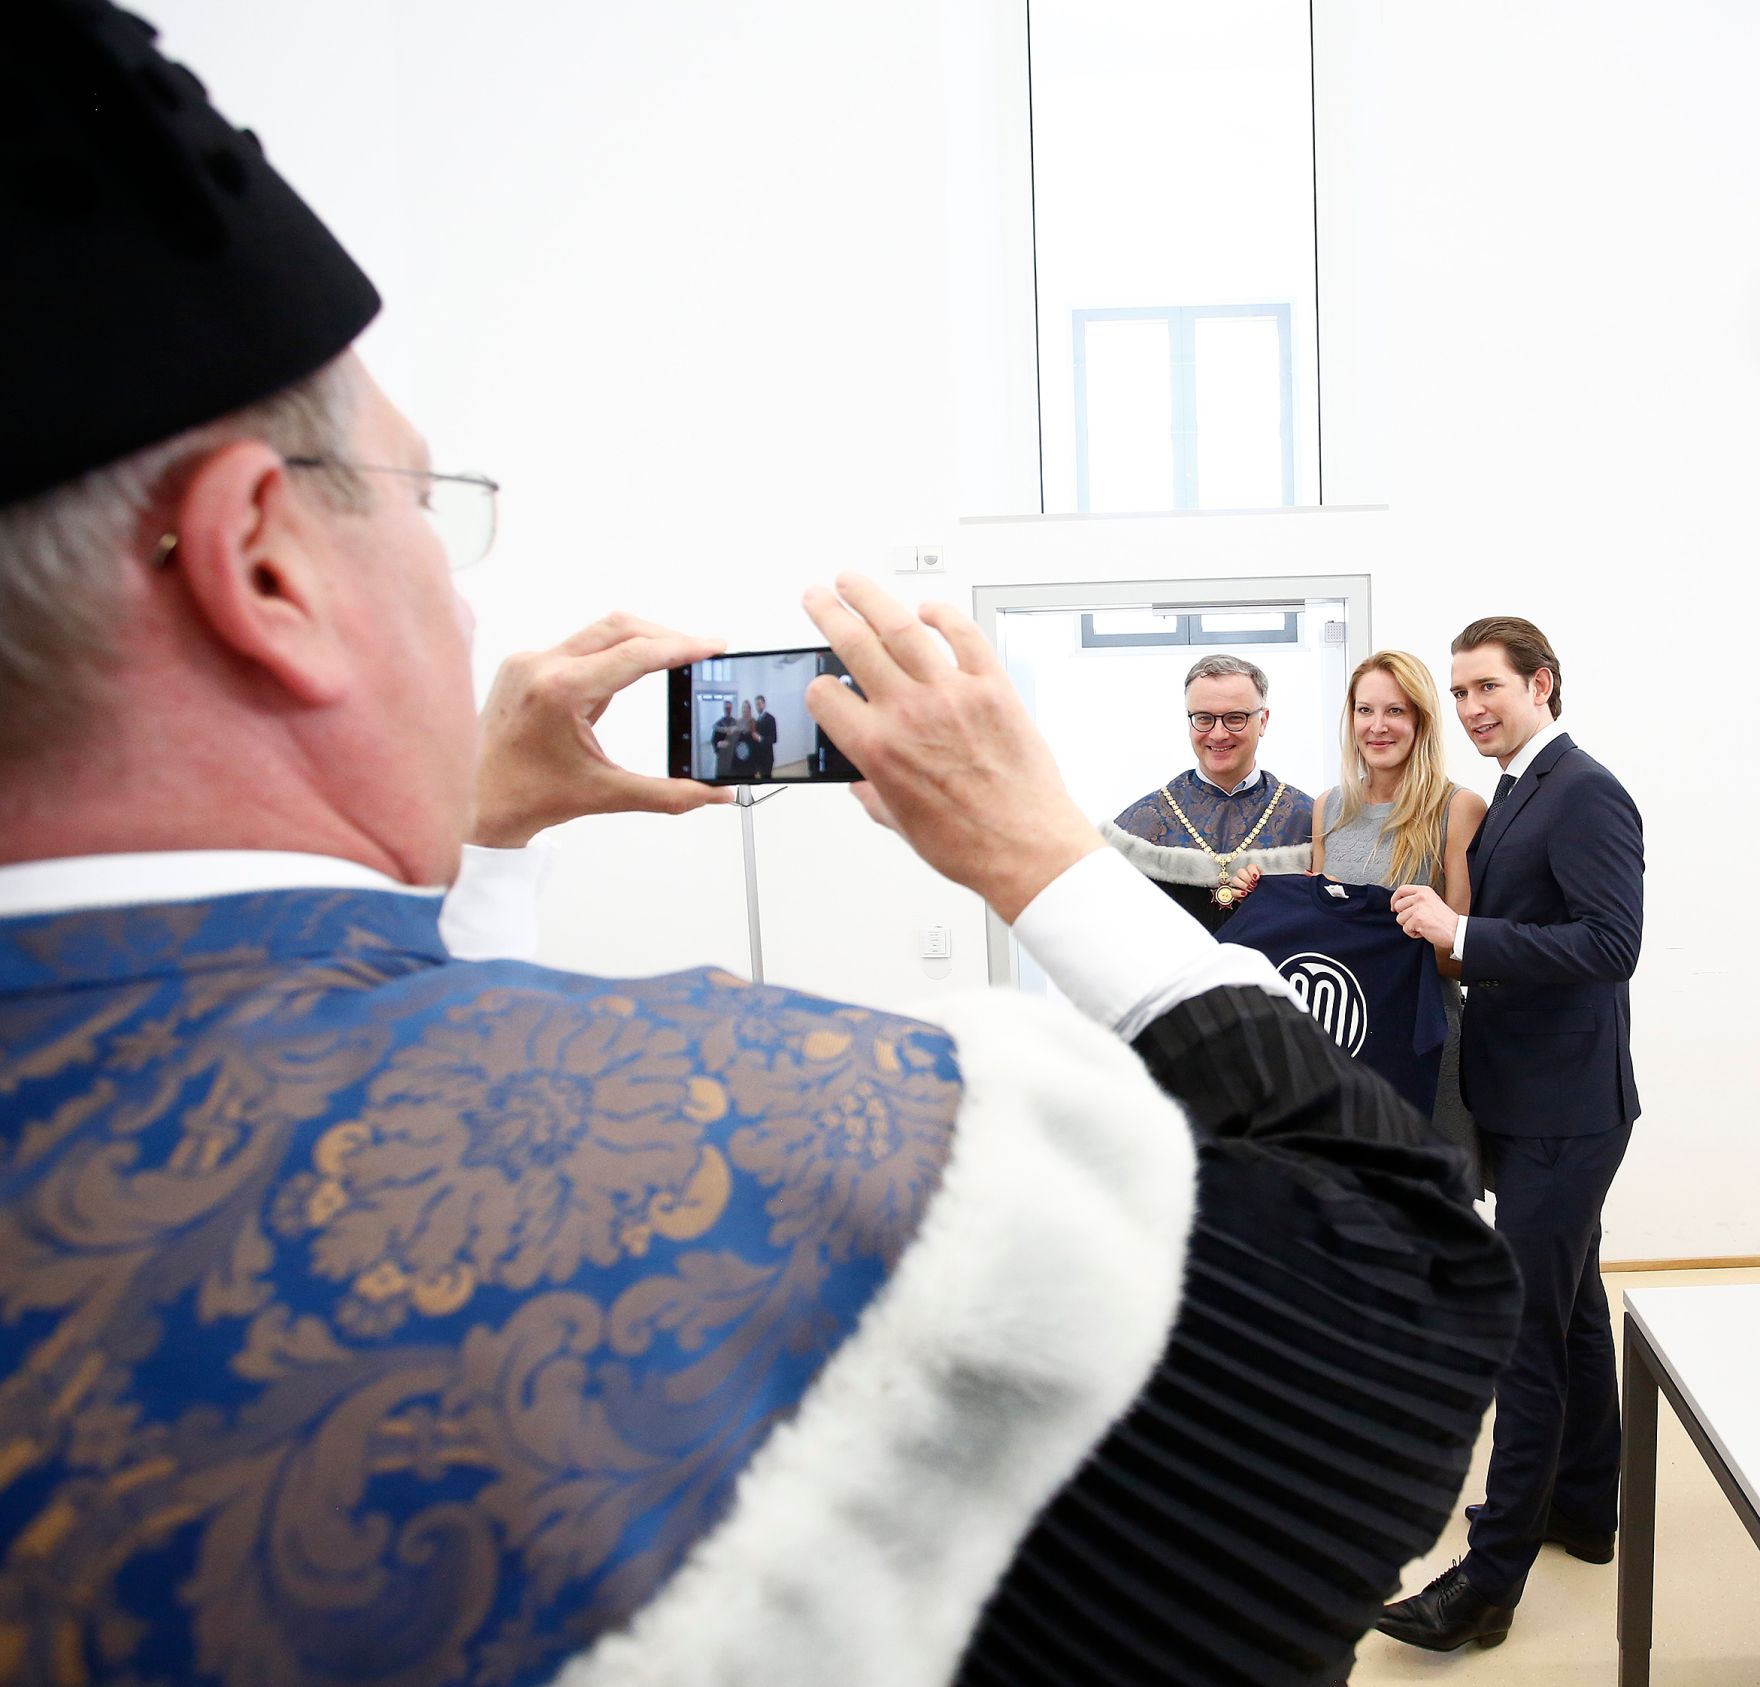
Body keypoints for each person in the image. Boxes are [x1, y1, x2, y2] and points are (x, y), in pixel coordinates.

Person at [0, 7, 1517, 1684]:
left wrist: (475, 841)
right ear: (265, 566)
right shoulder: (866, 1148)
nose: (451, 575)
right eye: (424, 508)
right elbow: (1404, 1285)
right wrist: (1035, 847)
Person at [1381, 617, 1644, 1654]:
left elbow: (1609, 942)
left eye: (1486, 686)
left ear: (1541, 682)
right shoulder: (1520, 790)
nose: (1470, 707)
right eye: (1457, 691)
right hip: (1527, 1097)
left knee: (1522, 1337)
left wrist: (1462, 935)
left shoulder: (1583, 790)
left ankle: (1486, 1584)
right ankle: (1584, 1506)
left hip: (1566, 1109)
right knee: (1572, 1312)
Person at [1311, 651, 1486, 1166]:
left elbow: (1462, 954)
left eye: (1396, 711)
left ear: (1421, 720)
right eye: (1365, 711)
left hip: (1422, 1046)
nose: (1378, 726)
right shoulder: (1328, 807)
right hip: (1344, 1043)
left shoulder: (1459, 808)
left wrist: (1381, 942)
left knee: (1431, 1219)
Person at [1107, 654, 1313, 933]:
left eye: (1235, 718)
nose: (1218, 734)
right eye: (1203, 719)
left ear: (1263, 721)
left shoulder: (1307, 820)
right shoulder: (1140, 825)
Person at [709, 699, 739, 777]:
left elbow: (740, 740)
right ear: (724, 709)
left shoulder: (736, 723)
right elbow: (713, 740)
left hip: (733, 758)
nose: (728, 710)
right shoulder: (719, 723)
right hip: (722, 757)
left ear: (731, 709)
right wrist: (719, 744)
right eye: (726, 708)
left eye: (729, 708)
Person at [751, 693, 778, 778]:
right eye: (756, 704)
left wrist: (759, 738)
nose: (758, 706)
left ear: (764, 704)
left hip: (767, 758)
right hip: (758, 757)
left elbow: (774, 739)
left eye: (759, 704)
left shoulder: (771, 719)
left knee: (766, 780)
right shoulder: (756, 719)